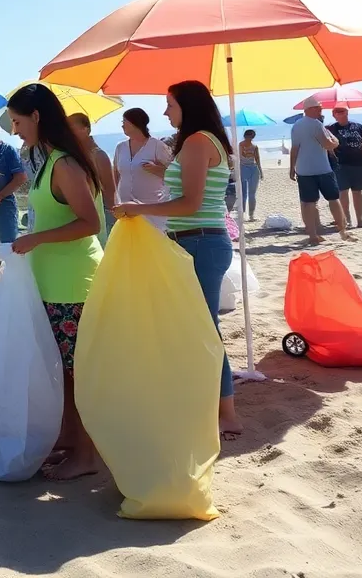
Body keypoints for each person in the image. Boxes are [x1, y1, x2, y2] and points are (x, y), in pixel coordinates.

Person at [113, 80, 244, 441]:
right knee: (196, 326)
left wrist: (139, 209)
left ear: (187, 105)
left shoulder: (198, 141)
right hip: (193, 241)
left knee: (204, 329)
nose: (165, 112)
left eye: (169, 104)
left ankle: (227, 414)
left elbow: (190, 203)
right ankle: (212, 406)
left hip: (201, 241)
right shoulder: (197, 141)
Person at [7, 83, 103, 480]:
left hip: (73, 284)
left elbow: (90, 223)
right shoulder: (45, 161)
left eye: (16, 121)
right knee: (63, 371)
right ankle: (70, 441)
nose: (14, 130)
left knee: (80, 374)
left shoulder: (64, 163)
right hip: (52, 281)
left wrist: (36, 238)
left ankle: (87, 456)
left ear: (37, 117)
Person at [289, 98, 353, 245]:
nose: (321, 110)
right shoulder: (316, 124)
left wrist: (292, 168)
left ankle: (312, 235)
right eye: (318, 108)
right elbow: (327, 144)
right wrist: (336, 141)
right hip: (322, 169)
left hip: (304, 170)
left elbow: (295, 148)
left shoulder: (296, 126)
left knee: (308, 203)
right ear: (309, 109)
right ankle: (343, 231)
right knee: (333, 199)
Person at [112, 108, 172, 231]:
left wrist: (157, 169)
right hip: (126, 211)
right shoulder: (120, 147)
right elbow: (116, 175)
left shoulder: (157, 146)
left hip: (152, 211)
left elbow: (174, 173)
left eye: (125, 121)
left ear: (135, 123)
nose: (122, 125)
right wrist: (116, 200)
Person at [67, 113, 115, 244]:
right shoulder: (73, 156)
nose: (69, 133)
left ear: (86, 129)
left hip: (101, 215)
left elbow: (111, 192)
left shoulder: (99, 155)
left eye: (73, 128)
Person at [328, 106, 362, 228]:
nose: (340, 113)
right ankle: (347, 220)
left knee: (357, 192)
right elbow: (323, 142)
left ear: (347, 112)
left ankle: (360, 221)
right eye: (337, 112)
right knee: (343, 192)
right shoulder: (331, 128)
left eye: (342, 111)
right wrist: (331, 153)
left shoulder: (357, 126)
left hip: (358, 163)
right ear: (333, 115)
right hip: (341, 164)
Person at [238, 129, 264, 222]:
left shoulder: (254, 146)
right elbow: (238, 157)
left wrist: (261, 171)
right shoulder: (240, 145)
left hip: (253, 169)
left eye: (251, 136)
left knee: (252, 194)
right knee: (243, 193)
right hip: (243, 168)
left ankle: (251, 215)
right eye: (249, 136)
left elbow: (257, 159)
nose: (250, 138)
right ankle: (243, 214)